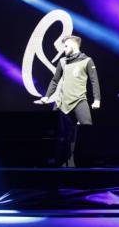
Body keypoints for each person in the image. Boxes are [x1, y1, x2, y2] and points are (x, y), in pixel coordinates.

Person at [35, 35, 101, 166]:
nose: (64, 49)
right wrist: (46, 96)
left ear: (74, 45)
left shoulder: (87, 60)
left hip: (79, 99)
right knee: (54, 130)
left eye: (66, 46)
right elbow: (55, 80)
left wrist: (97, 99)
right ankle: (54, 161)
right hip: (62, 101)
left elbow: (94, 81)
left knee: (87, 128)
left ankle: (86, 161)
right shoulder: (62, 61)